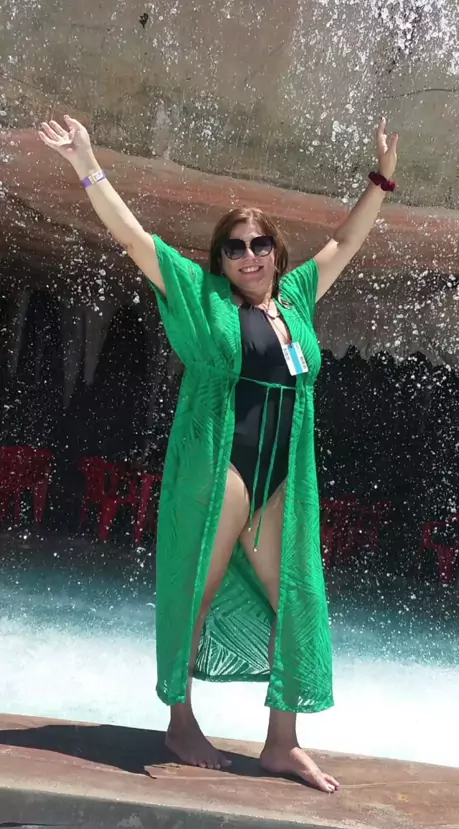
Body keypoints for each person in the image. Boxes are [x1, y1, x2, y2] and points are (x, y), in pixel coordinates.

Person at [39, 115, 398, 792]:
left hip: (281, 477)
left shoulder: (296, 297)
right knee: (195, 593)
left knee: (296, 602)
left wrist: (380, 180)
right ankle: (180, 723)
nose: (249, 256)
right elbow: (133, 237)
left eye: (260, 244)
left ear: (276, 252)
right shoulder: (202, 296)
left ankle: (282, 744)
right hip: (222, 468)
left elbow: (345, 242)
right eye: (235, 248)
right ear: (221, 259)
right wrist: (86, 162)